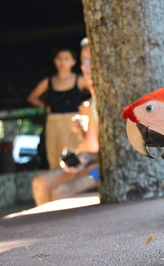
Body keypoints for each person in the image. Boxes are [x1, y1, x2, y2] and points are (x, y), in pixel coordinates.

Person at [32, 40, 100, 206]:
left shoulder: (110, 96)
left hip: (103, 170)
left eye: (91, 60)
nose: (87, 66)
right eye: (85, 61)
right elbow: (92, 145)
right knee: (39, 183)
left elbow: (92, 146)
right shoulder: (91, 104)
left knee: (60, 191)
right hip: (90, 162)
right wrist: (80, 140)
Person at [27, 48, 89, 169]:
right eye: (59, 59)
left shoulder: (80, 80)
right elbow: (32, 97)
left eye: (66, 59)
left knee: (76, 154)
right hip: (54, 123)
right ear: (55, 61)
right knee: (55, 155)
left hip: (74, 123)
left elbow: (95, 91)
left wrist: (86, 106)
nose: (62, 62)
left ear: (73, 62)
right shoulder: (48, 82)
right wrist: (46, 106)